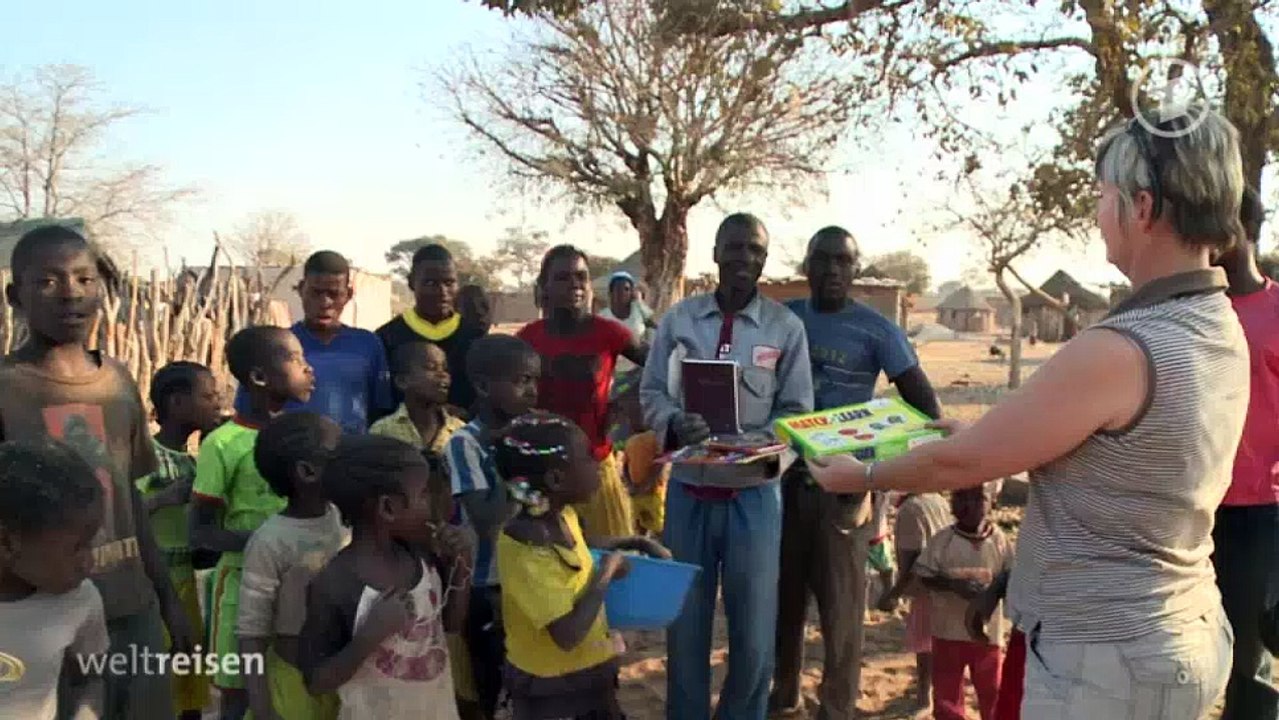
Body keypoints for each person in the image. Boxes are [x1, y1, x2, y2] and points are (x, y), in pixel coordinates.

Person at [808, 107, 1248, 719]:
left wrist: (860, 477)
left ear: (1142, 208)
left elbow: (957, 464)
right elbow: (1125, 468)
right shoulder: (1218, 322)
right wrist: (993, 437)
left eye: (1104, 196)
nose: (1099, 216)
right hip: (1183, 626)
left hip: (1107, 659)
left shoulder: (1121, 349)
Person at [0, 224, 192, 719]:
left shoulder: (120, 381)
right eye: (48, 281)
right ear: (13, 295)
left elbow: (129, 500)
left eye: (85, 279)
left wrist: (166, 600)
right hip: (44, 620)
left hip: (133, 610)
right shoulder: (6, 389)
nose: (71, 294)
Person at [640, 213, 814, 720]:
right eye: (733, 247)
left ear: (764, 258)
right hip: (689, 492)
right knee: (685, 626)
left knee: (754, 631)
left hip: (754, 497)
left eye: (754, 250)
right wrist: (673, 422)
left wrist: (762, 452)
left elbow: (798, 415)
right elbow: (651, 390)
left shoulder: (786, 328)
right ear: (714, 253)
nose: (744, 258)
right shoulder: (679, 320)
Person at [771, 225, 941, 720]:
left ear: (856, 269)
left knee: (842, 612)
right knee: (783, 603)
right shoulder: (785, 320)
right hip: (783, 481)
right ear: (806, 266)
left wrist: (886, 463)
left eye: (842, 262)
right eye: (821, 260)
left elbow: (924, 404)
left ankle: (838, 708)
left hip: (844, 490)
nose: (831, 271)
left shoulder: (877, 329)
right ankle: (784, 698)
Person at [493, 413, 670, 720]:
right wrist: (607, 573)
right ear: (556, 480)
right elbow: (567, 634)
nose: (600, 466)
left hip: (589, 673)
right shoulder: (524, 547)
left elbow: (585, 545)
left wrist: (635, 542)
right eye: (587, 458)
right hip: (553, 693)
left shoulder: (562, 516)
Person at [297, 434, 474, 719]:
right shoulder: (335, 583)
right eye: (424, 494)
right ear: (388, 508)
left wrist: (461, 565)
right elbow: (316, 681)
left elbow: (450, 625)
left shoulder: (421, 556)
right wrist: (368, 636)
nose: (436, 502)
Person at [193, 325, 316, 719]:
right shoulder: (223, 444)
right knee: (240, 691)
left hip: (301, 582)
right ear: (260, 377)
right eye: (296, 359)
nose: (308, 368)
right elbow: (201, 531)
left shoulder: (305, 436)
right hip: (240, 586)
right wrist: (267, 544)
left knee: (291, 681)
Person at [369, 341, 475, 718]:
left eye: (445, 368)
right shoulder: (383, 431)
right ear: (401, 381)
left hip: (453, 546)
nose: (443, 376)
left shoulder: (462, 434)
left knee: (455, 633)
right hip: (404, 551)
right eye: (431, 368)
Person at [517, 246, 648, 543]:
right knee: (553, 569)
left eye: (582, 277)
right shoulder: (528, 338)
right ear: (545, 288)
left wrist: (626, 401)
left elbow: (657, 366)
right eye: (563, 278)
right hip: (544, 475)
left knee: (616, 562)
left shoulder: (609, 333)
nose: (575, 285)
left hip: (595, 469)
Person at [446, 334, 541, 719]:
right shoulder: (464, 444)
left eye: (535, 380)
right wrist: (516, 466)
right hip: (488, 585)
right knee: (493, 684)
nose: (533, 391)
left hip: (531, 577)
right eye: (522, 381)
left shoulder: (533, 432)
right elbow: (486, 520)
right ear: (484, 386)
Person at [1211, 185, 1279, 720]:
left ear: (1246, 229)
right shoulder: (1192, 311)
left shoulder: (1276, 311)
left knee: (1248, 656)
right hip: (1190, 502)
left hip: (1260, 509)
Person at [237, 412, 346, 720]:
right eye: (339, 452)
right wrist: (262, 707)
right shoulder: (271, 541)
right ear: (308, 471)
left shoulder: (346, 518)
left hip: (343, 679)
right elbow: (251, 633)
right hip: (291, 687)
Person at [0, 440, 110, 719]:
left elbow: (91, 678)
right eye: (78, 548)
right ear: (7, 542)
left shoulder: (80, 601)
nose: (89, 562)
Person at [138, 361, 224, 720]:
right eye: (207, 396)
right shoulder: (146, 458)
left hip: (187, 583)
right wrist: (163, 498)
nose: (216, 403)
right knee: (162, 678)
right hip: (155, 587)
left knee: (190, 685)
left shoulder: (194, 463)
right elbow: (125, 513)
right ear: (175, 403)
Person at [234, 251, 393, 434]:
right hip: (287, 455)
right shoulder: (274, 346)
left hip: (351, 456)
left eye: (334, 294)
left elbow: (380, 413)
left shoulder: (368, 344)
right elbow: (248, 414)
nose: (325, 302)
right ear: (301, 289)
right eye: (316, 293)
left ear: (348, 294)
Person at [910, 484, 1012, 720]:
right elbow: (922, 576)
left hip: (987, 636)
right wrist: (951, 584)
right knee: (947, 697)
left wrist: (991, 592)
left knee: (992, 693)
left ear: (991, 503)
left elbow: (1011, 576)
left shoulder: (999, 540)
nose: (969, 504)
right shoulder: (943, 541)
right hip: (947, 633)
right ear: (951, 503)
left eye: (978, 498)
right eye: (960, 497)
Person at [378, 244, 486, 415]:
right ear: (412, 282)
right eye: (430, 283)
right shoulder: (387, 337)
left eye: (449, 283)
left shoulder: (474, 337)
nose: (442, 291)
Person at [877, 490, 951, 713]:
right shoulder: (937, 499)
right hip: (947, 582)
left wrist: (893, 593)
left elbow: (913, 562)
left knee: (924, 646)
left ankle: (923, 697)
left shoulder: (909, 510)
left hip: (926, 587)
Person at [613, 370, 668, 537]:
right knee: (638, 524)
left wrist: (647, 484)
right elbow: (626, 465)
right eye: (630, 416)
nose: (632, 419)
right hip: (637, 492)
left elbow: (659, 464)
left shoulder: (654, 438)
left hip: (653, 492)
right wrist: (631, 484)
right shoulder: (631, 441)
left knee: (658, 525)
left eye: (636, 415)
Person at [597, 271, 654, 380]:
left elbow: (655, 325)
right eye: (617, 289)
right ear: (610, 293)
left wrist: (639, 302)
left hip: (640, 371)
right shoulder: (602, 317)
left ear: (632, 293)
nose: (622, 293)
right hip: (611, 374)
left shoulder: (638, 310)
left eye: (626, 289)